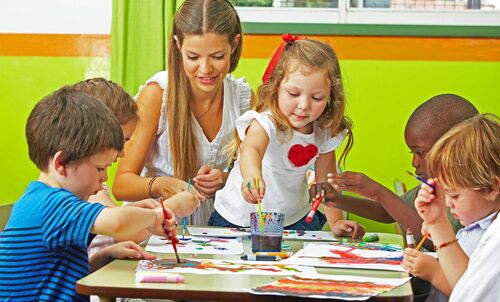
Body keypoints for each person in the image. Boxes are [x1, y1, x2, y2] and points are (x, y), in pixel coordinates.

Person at [0, 87, 177, 301]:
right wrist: (156, 216)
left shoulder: (45, 201)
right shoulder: (51, 204)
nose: (105, 178)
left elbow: (59, 275)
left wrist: (103, 257)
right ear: (61, 163)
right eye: (100, 168)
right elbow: (117, 223)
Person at [112, 0, 252, 226]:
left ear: (234, 45)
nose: (205, 69)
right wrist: (160, 184)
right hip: (153, 224)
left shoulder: (242, 98)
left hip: (213, 229)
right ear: (178, 46)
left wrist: (224, 179)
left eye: (217, 56)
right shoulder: (158, 94)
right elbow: (121, 185)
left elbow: (250, 176)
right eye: (193, 57)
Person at [210, 35, 364, 238]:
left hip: (292, 220)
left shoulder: (322, 132)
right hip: (238, 218)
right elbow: (252, 149)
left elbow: (325, 182)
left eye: (317, 97)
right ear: (276, 88)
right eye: (293, 94)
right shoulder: (266, 122)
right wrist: (252, 176)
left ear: (330, 97)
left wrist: (336, 222)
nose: (304, 105)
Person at [325, 94, 478, 250]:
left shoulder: (473, 199)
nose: (414, 162)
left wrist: (379, 192)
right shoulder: (431, 187)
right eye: (412, 153)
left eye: (419, 153)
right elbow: (390, 212)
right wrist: (337, 200)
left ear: (452, 148)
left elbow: (436, 243)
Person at [72, 78, 198, 259]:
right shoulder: (84, 187)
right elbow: (123, 230)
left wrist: (142, 211)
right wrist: (171, 207)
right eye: (119, 141)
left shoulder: (87, 183)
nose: (123, 153)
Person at [405, 114, 499, 301]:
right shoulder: (475, 227)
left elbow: (467, 291)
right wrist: (438, 226)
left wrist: (434, 272)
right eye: (446, 194)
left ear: (491, 188)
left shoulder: (492, 243)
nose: (448, 203)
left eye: (455, 195)